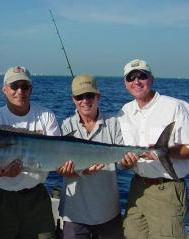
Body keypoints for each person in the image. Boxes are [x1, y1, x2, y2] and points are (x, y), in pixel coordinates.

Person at [0, 66, 61, 239]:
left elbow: (58, 154)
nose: (20, 91)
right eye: (14, 86)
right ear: (4, 89)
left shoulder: (46, 116)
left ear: (31, 89)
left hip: (35, 195)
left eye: (24, 86)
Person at [118, 59, 189, 238]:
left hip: (167, 190)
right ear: (125, 84)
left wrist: (165, 152)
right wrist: (124, 164)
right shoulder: (124, 112)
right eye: (130, 78)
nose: (136, 81)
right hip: (136, 189)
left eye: (142, 76)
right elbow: (123, 156)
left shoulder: (175, 106)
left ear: (151, 78)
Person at [57, 74, 124, 239]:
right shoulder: (66, 126)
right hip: (75, 215)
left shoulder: (114, 123)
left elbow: (123, 163)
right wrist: (79, 172)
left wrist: (128, 161)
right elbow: (60, 167)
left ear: (98, 96)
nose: (85, 100)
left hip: (108, 213)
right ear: (73, 99)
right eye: (80, 97)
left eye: (89, 95)